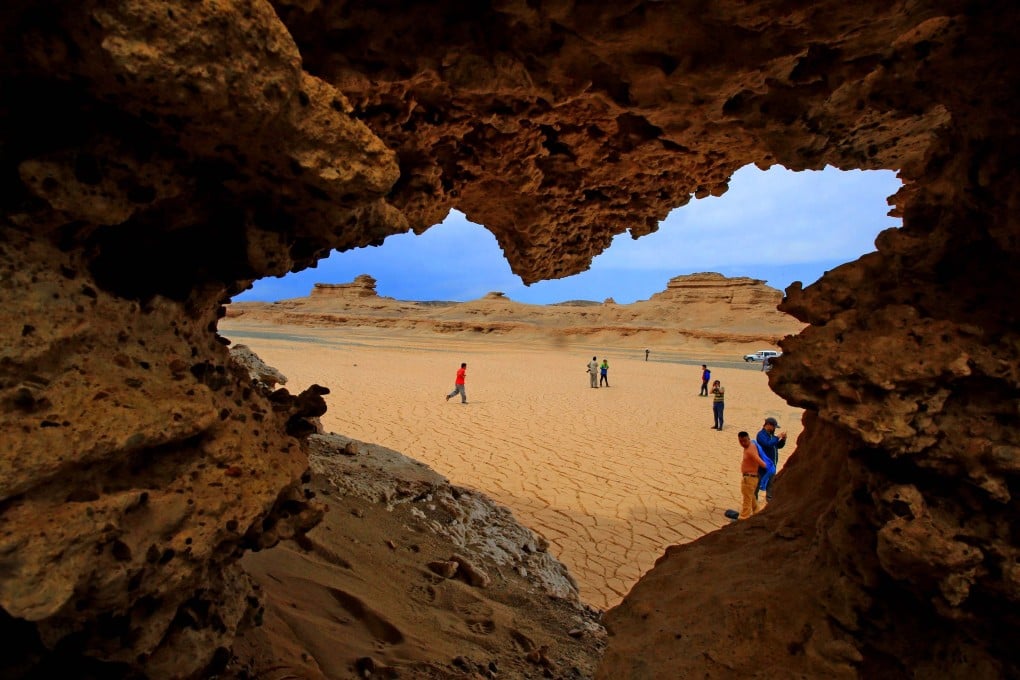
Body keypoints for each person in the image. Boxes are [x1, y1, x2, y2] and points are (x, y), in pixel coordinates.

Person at [738, 431, 768, 519]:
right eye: (740, 441)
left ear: (748, 439)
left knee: (747, 498)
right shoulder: (752, 444)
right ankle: (757, 512)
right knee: (751, 496)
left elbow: (759, 461)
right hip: (751, 478)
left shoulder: (750, 450)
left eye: (745, 441)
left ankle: (744, 517)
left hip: (749, 478)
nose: (743, 443)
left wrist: (767, 467)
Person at [756, 417, 787, 501]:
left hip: (772, 464)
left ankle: (769, 499)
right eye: (774, 427)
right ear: (768, 425)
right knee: (758, 482)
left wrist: (783, 440)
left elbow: (778, 446)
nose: (774, 429)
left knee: (771, 482)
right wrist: (777, 437)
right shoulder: (761, 435)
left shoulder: (771, 435)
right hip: (762, 464)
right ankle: (753, 498)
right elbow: (768, 444)